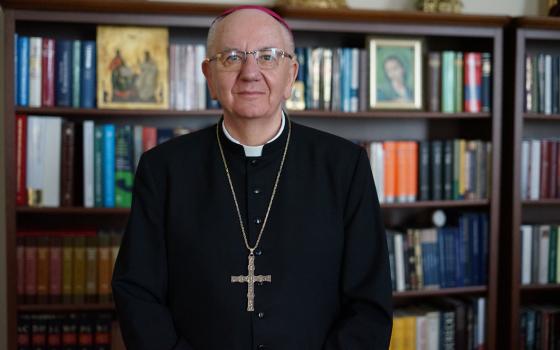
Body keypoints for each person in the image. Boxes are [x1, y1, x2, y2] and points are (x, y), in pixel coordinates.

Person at [112, 5, 393, 350]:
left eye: (268, 56)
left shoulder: (344, 166)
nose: (250, 72)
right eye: (231, 57)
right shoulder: (162, 169)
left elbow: (370, 305)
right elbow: (137, 294)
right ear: (209, 76)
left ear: (291, 74)